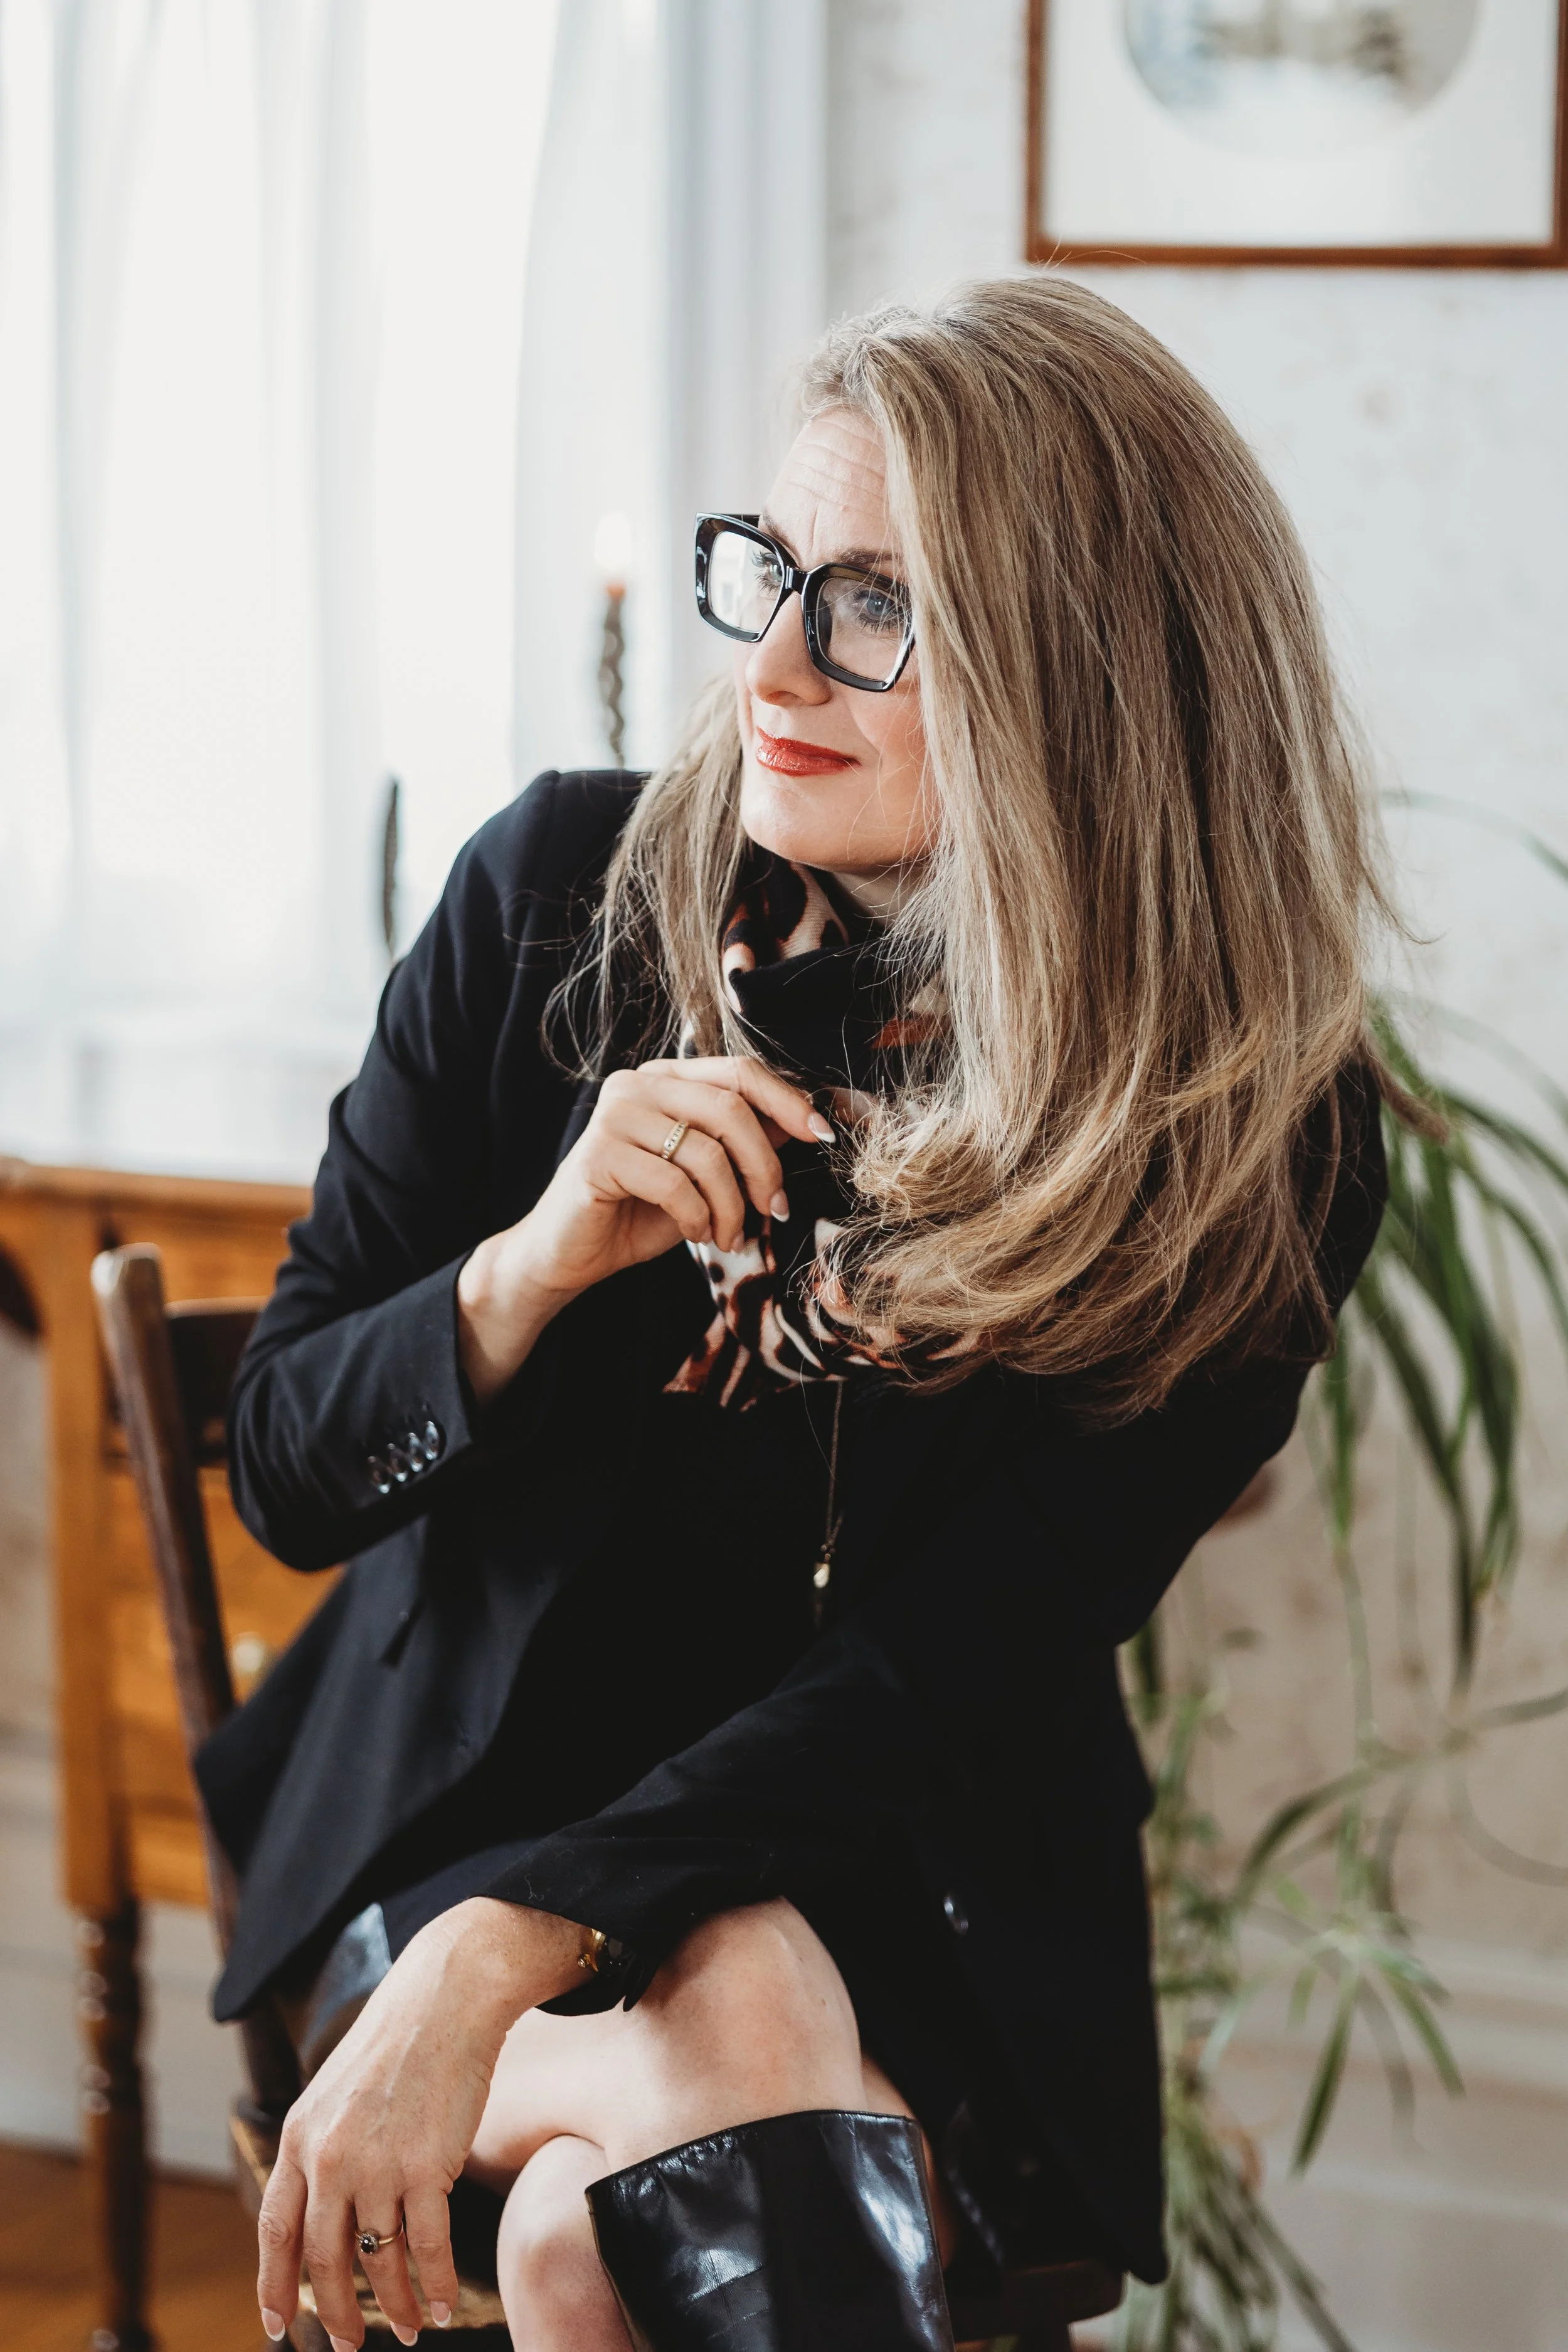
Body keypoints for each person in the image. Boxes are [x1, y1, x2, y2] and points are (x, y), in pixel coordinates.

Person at [204, 276, 1390, 2352]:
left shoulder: (1244, 1135)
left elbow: (932, 1675)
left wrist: (506, 1956)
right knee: (742, 1995)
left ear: (1089, 677)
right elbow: (291, 1461)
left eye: (873, 606)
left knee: (617, 2207)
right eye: (770, 573)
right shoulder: (554, 899)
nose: (770, 666)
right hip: (426, 1838)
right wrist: (536, 1255)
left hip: (894, 1889)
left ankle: (583, 2231)